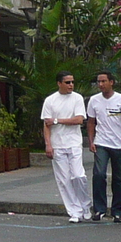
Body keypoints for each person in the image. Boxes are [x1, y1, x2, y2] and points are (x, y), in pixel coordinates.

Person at [84, 71, 121, 224]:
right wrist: (91, 141)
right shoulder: (94, 100)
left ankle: (117, 211)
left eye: (104, 81)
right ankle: (99, 209)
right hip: (101, 143)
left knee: (119, 177)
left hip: (119, 144)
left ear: (111, 82)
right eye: (99, 81)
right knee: (99, 174)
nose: (101, 84)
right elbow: (91, 122)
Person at [42, 73, 92, 223]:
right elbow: (46, 124)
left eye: (72, 82)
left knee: (78, 175)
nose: (71, 85)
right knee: (64, 180)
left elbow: (79, 120)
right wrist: (48, 145)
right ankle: (74, 211)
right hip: (57, 145)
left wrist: (57, 120)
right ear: (59, 83)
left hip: (74, 143)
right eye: (67, 82)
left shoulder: (77, 98)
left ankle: (85, 205)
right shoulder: (50, 101)